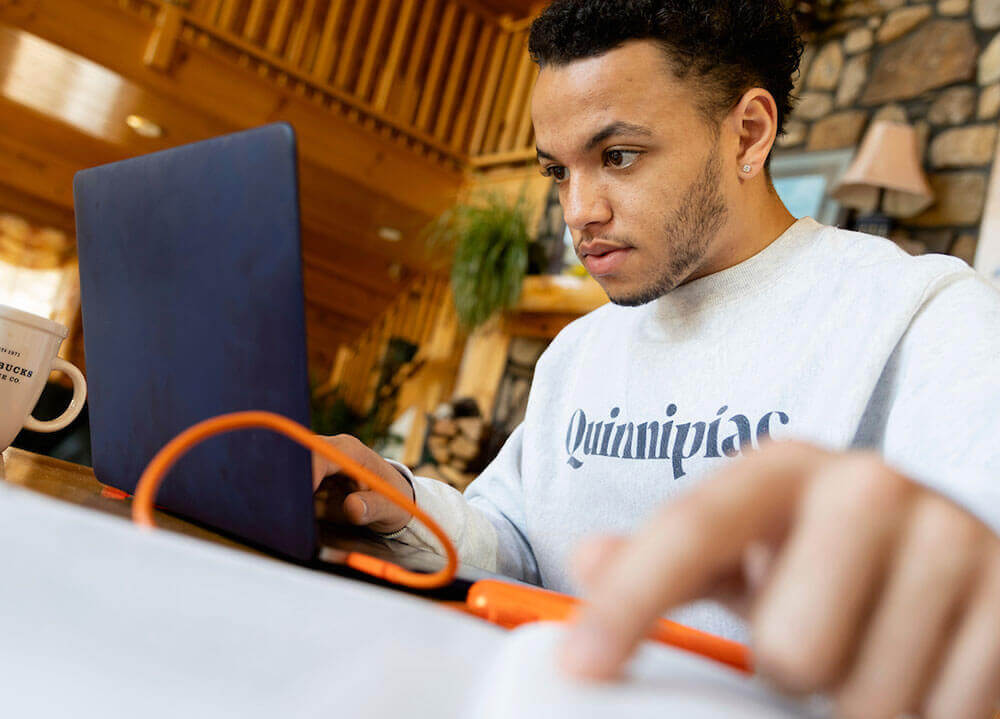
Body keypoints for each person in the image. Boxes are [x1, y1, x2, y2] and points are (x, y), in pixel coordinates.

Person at [313, 1, 1000, 716]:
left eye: (618, 156)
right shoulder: (580, 348)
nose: (578, 210)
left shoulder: (924, 314)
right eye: (558, 170)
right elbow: (515, 545)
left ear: (748, 134)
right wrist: (394, 498)